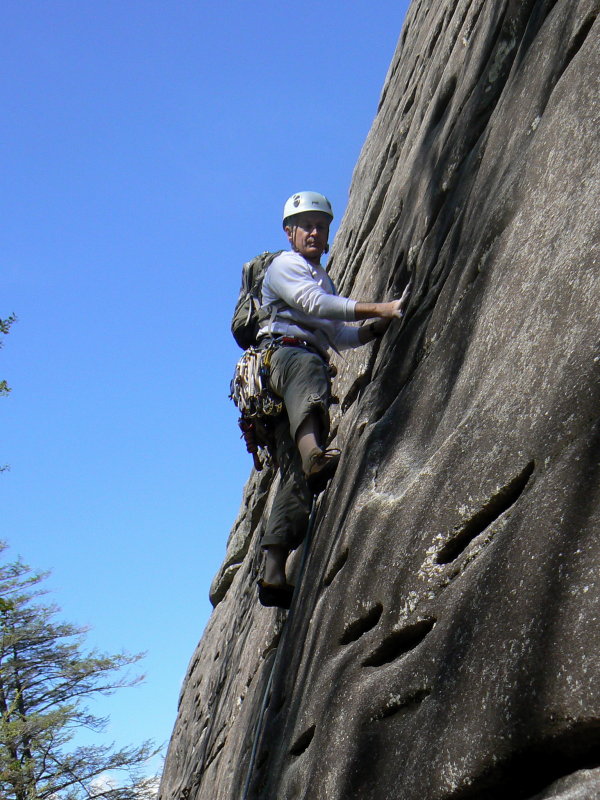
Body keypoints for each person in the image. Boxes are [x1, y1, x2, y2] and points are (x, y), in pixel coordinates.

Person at [256, 191, 411, 608]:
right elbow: (314, 305)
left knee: (294, 479)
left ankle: (272, 572)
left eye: (320, 226)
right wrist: (380, 306)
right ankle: (315, 456)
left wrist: (374, 327)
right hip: (286, 357)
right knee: (311, 376)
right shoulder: (285, 266)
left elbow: (336, 332)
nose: (313, 231)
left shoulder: (321, 277)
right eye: (305, 225)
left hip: (289, 368)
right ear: (289, 233)